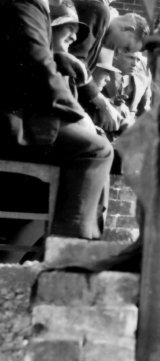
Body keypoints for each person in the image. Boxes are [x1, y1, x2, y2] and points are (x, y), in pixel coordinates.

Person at [0, 0, 113, 240]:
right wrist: (79, 116)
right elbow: (37, 63)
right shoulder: (28, 4)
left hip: (17, 118)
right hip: (9, 121)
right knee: (96, 150)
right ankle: (70, 252)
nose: (74, 36)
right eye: (67, 27)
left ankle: (63, 247)